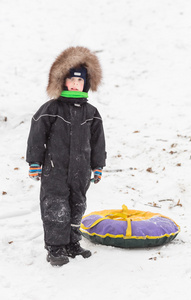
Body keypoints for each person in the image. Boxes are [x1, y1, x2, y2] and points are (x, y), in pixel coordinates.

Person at [26, 46, 106, 266]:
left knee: (77, 204)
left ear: (86, 84)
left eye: (80, 81)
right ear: (62, 81)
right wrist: (35, 162)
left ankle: (72, 243)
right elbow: (36, 136)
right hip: (55, 169)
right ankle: (55, 248)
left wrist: (98, 165)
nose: (75, 84)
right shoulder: (51, 109)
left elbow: (98, 142)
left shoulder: (92, 113)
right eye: (71, 80)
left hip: (81, 170)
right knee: (56, 207)